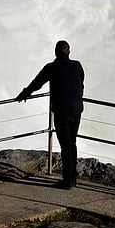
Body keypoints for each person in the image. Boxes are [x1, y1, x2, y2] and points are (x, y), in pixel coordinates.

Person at [15, 40, 84, 189]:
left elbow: (37, 83)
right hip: (77, 110)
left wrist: (23, 94)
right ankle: (73, 178)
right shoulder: (77, 65)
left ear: (55, 52)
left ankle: (68, 182)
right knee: (72, 142)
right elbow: (81, 83)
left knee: (66, 145)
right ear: (69, 51)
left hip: (62, 112)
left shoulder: (52, 67)